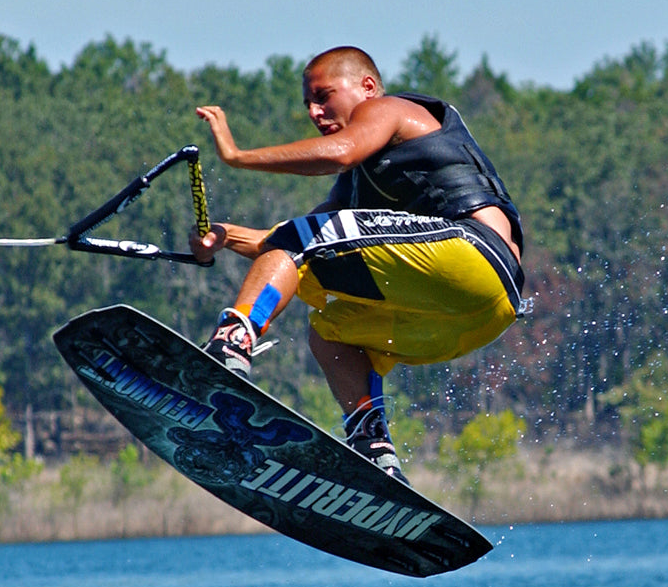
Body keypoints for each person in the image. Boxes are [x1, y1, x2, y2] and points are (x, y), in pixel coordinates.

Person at [190, 46, 524, 485]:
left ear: (366, 86)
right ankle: (373, 445)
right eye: (308, 104)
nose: (314, 112)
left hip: (473, 254)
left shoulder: (388, 109)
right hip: (481, 312)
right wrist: (225, 237)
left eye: (323, 96)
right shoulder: (356, 183)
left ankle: (232, 343)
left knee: (303, 238)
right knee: (330, 331)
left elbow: (339, 157)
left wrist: (237, 156)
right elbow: (286, 247)